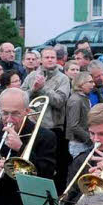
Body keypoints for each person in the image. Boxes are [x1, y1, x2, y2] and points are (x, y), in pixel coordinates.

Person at [23, 46, 71, 194]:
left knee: (52, 166)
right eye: (47, 57)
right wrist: (33, 89)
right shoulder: (31, 76)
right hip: (33, 126)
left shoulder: (63, 79)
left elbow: (60, 101)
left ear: (57, 60)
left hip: (53, 129)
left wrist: (43, 89)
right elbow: (22, 97)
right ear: (41, 60)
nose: (50, 60)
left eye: (53, 57)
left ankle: (53, 195)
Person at [66, 73, 94, 161]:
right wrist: (89, 138)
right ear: (81, 84)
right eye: (90, 82)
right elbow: (73, 125)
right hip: (79, 144)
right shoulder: (76, 100)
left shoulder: (84, 98)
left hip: (83, 142)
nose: (93, 84)